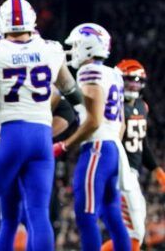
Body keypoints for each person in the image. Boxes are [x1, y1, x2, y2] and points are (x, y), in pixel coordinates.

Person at [0, 0, 82, 251]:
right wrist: (86, 114)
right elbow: (71, 90)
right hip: (41, 137)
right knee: (38, 214)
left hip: (10, 134)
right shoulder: (51, 50)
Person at [53, 23, 131, 251]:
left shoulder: (89, 71)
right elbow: (121, 124)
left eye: (76, 45)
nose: (73, 49)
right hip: (112, 146)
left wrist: (64, 145)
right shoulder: (114, 74)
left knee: (85, 213)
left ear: (89, 46)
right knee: (112, 214)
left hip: (97, 147)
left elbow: (94, 121)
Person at [100, 59, 165, 251]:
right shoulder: (113, 106)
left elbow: (142, 143)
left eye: (137, 80)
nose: (133, 84)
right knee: (134, 231)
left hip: (132, 174)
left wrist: (157, 170)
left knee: (135, 233)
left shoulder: (142, 106)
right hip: (119, 171)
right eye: (128, 80)